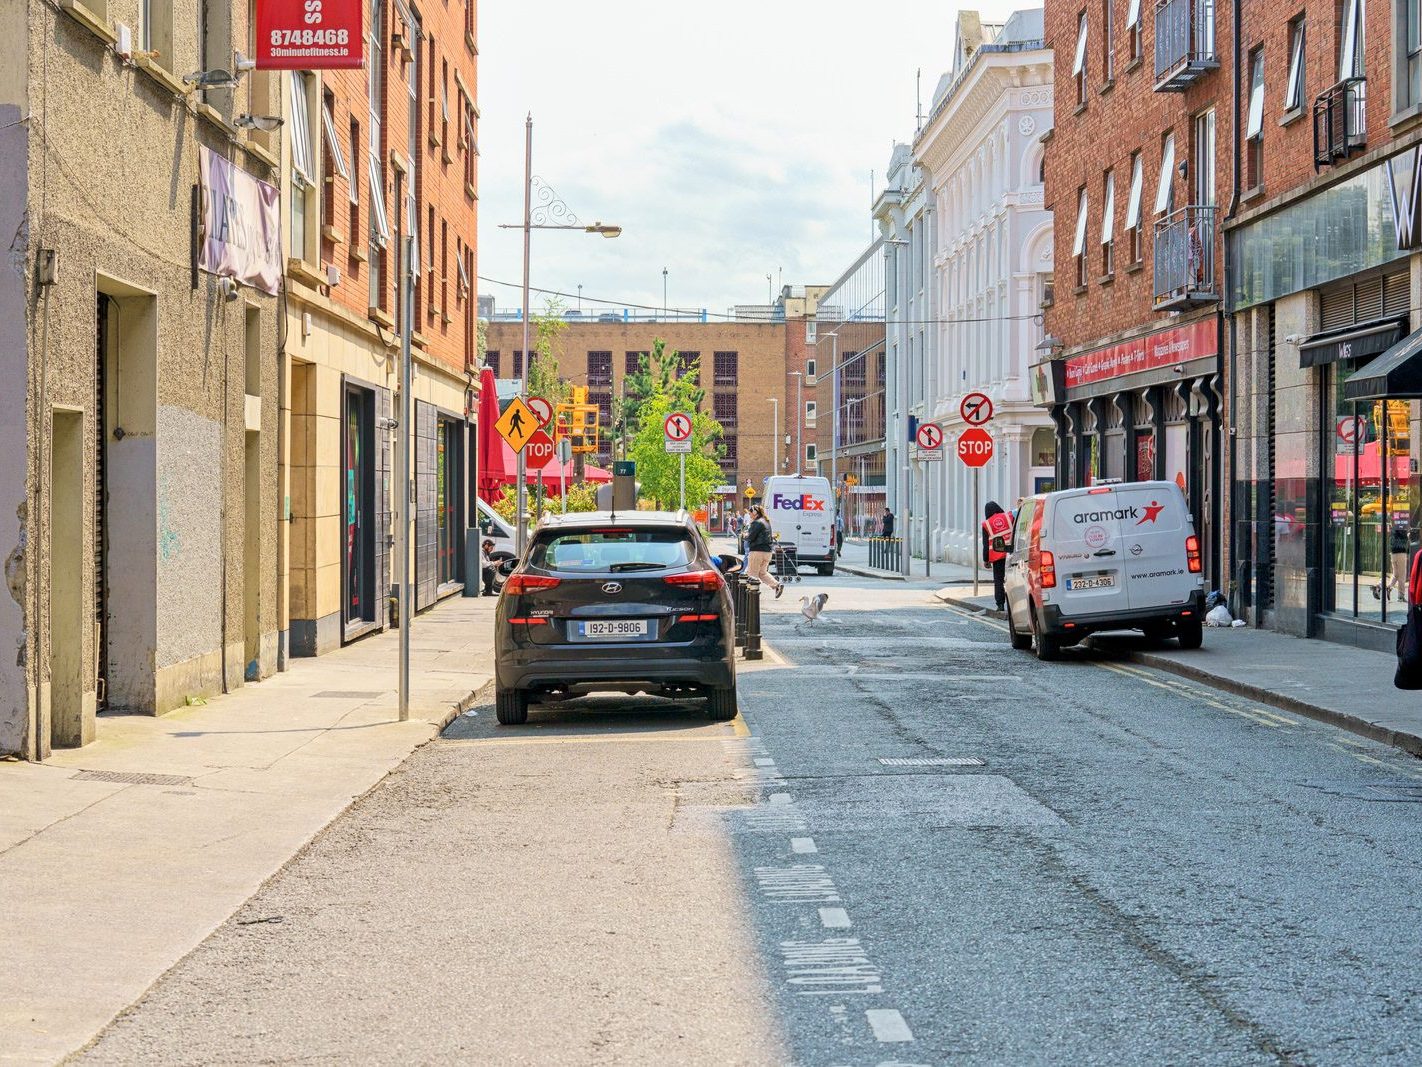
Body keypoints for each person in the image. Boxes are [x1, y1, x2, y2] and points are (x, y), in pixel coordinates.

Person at [744, 504, 784, 599]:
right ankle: (777, 585)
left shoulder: (757, 523)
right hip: (767, 551)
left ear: (755, 513)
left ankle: (752, 596)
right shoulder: (766, 521)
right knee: (762, 573)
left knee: (752, 574)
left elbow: (750, 537)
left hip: (757, 551)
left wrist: (744, 535)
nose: (750, 515)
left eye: (750, 513)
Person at [981, 501, 1012, 612]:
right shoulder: (1008, 517)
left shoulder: (986, 524)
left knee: (998, 580)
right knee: (1013, 579)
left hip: (997, 555)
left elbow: (985, 544)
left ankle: (1000, 605)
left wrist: (986, 560)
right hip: (1011, 553)